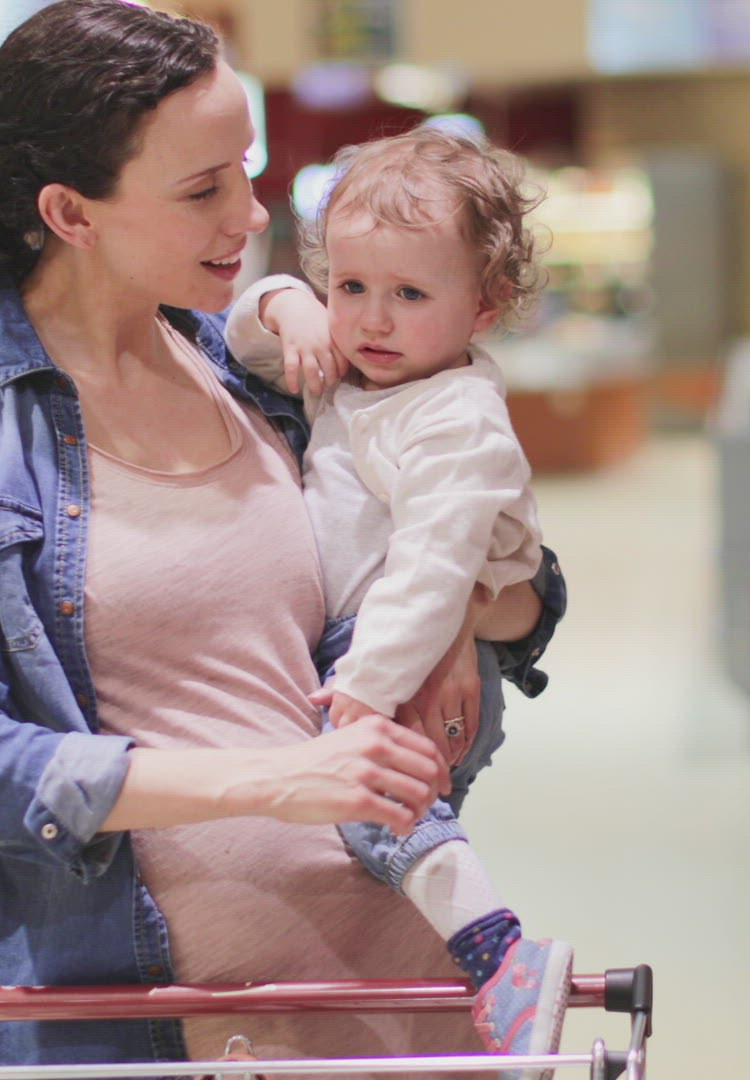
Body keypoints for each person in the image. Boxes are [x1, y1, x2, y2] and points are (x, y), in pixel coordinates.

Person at [0, 3, 567, 1076]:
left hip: (397, 994)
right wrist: (273, 778)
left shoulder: (255, 370)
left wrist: (449, 607)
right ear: (70, 213)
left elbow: (525, 585)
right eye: (202, 189)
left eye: (246, 170)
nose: (250, 212)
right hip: (137, 1027)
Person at [223, 126, 573, 1064]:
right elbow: (240, 341)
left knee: (376, 809)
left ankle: (503, 957)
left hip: (395, 652)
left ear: (485, 305)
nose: (372, 320)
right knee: (380, 836)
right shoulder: (362, 373)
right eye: (350, 287)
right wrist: (287, 306)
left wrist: (369, 689)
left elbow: (432, 568)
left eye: (410, 295)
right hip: (369, 644)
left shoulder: (455, 418)